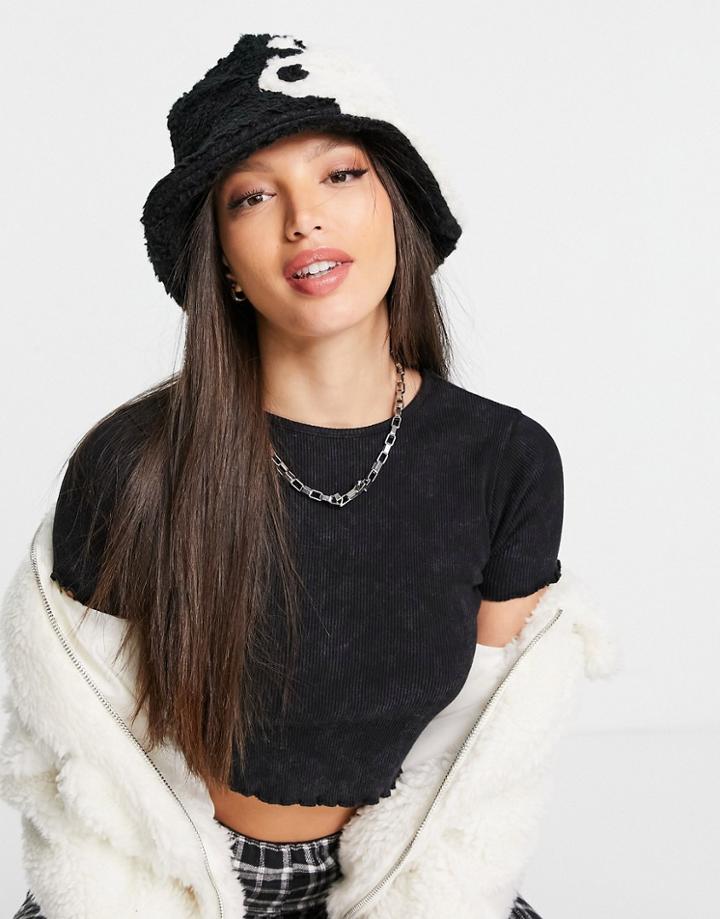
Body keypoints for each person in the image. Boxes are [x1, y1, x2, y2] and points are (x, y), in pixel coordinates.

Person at [0, 33, 619, 919]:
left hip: (408, 882)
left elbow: (482, 758)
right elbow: (81, 763)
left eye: (340, 174)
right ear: (221, 255)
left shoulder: (504, 460)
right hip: (160, 883)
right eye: (254, 196)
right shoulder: (132, 465)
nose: (304, 219)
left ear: (395, 204)